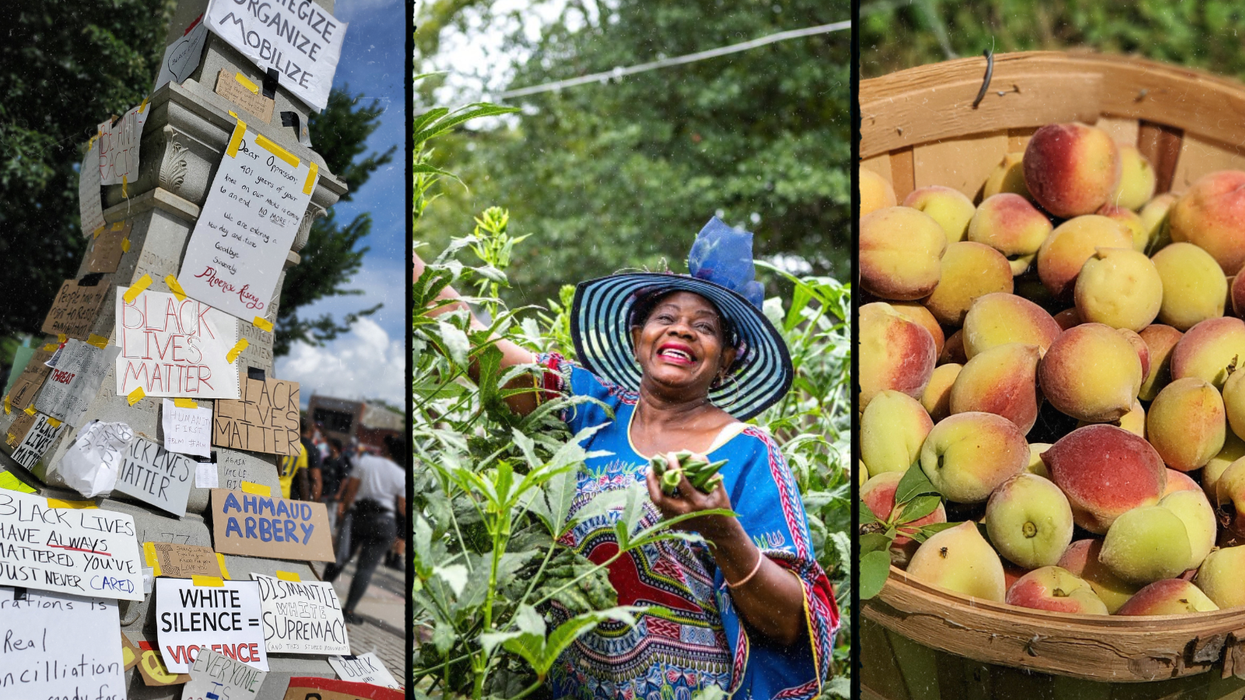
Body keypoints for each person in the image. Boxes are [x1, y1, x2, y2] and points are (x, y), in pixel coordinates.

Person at [415, 217, 838, 699]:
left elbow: (796, 626)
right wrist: (413, 268)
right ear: (639, 335)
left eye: (704, 327)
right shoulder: (588, 408)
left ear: (725, 361)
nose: (682, 330)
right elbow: (479, 348)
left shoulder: (748, 453)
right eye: (666, 318)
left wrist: (721, 529)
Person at [324, 434, 406, 624]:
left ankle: (318, 593)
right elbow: (402, 508)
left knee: (341, 556)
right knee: (366, 568)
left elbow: (351, 491)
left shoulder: (366, 462)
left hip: (359, 516)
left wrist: (344, 513)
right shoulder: (400, 475)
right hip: (385, 521)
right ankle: (349, 610)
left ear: (386, 449)